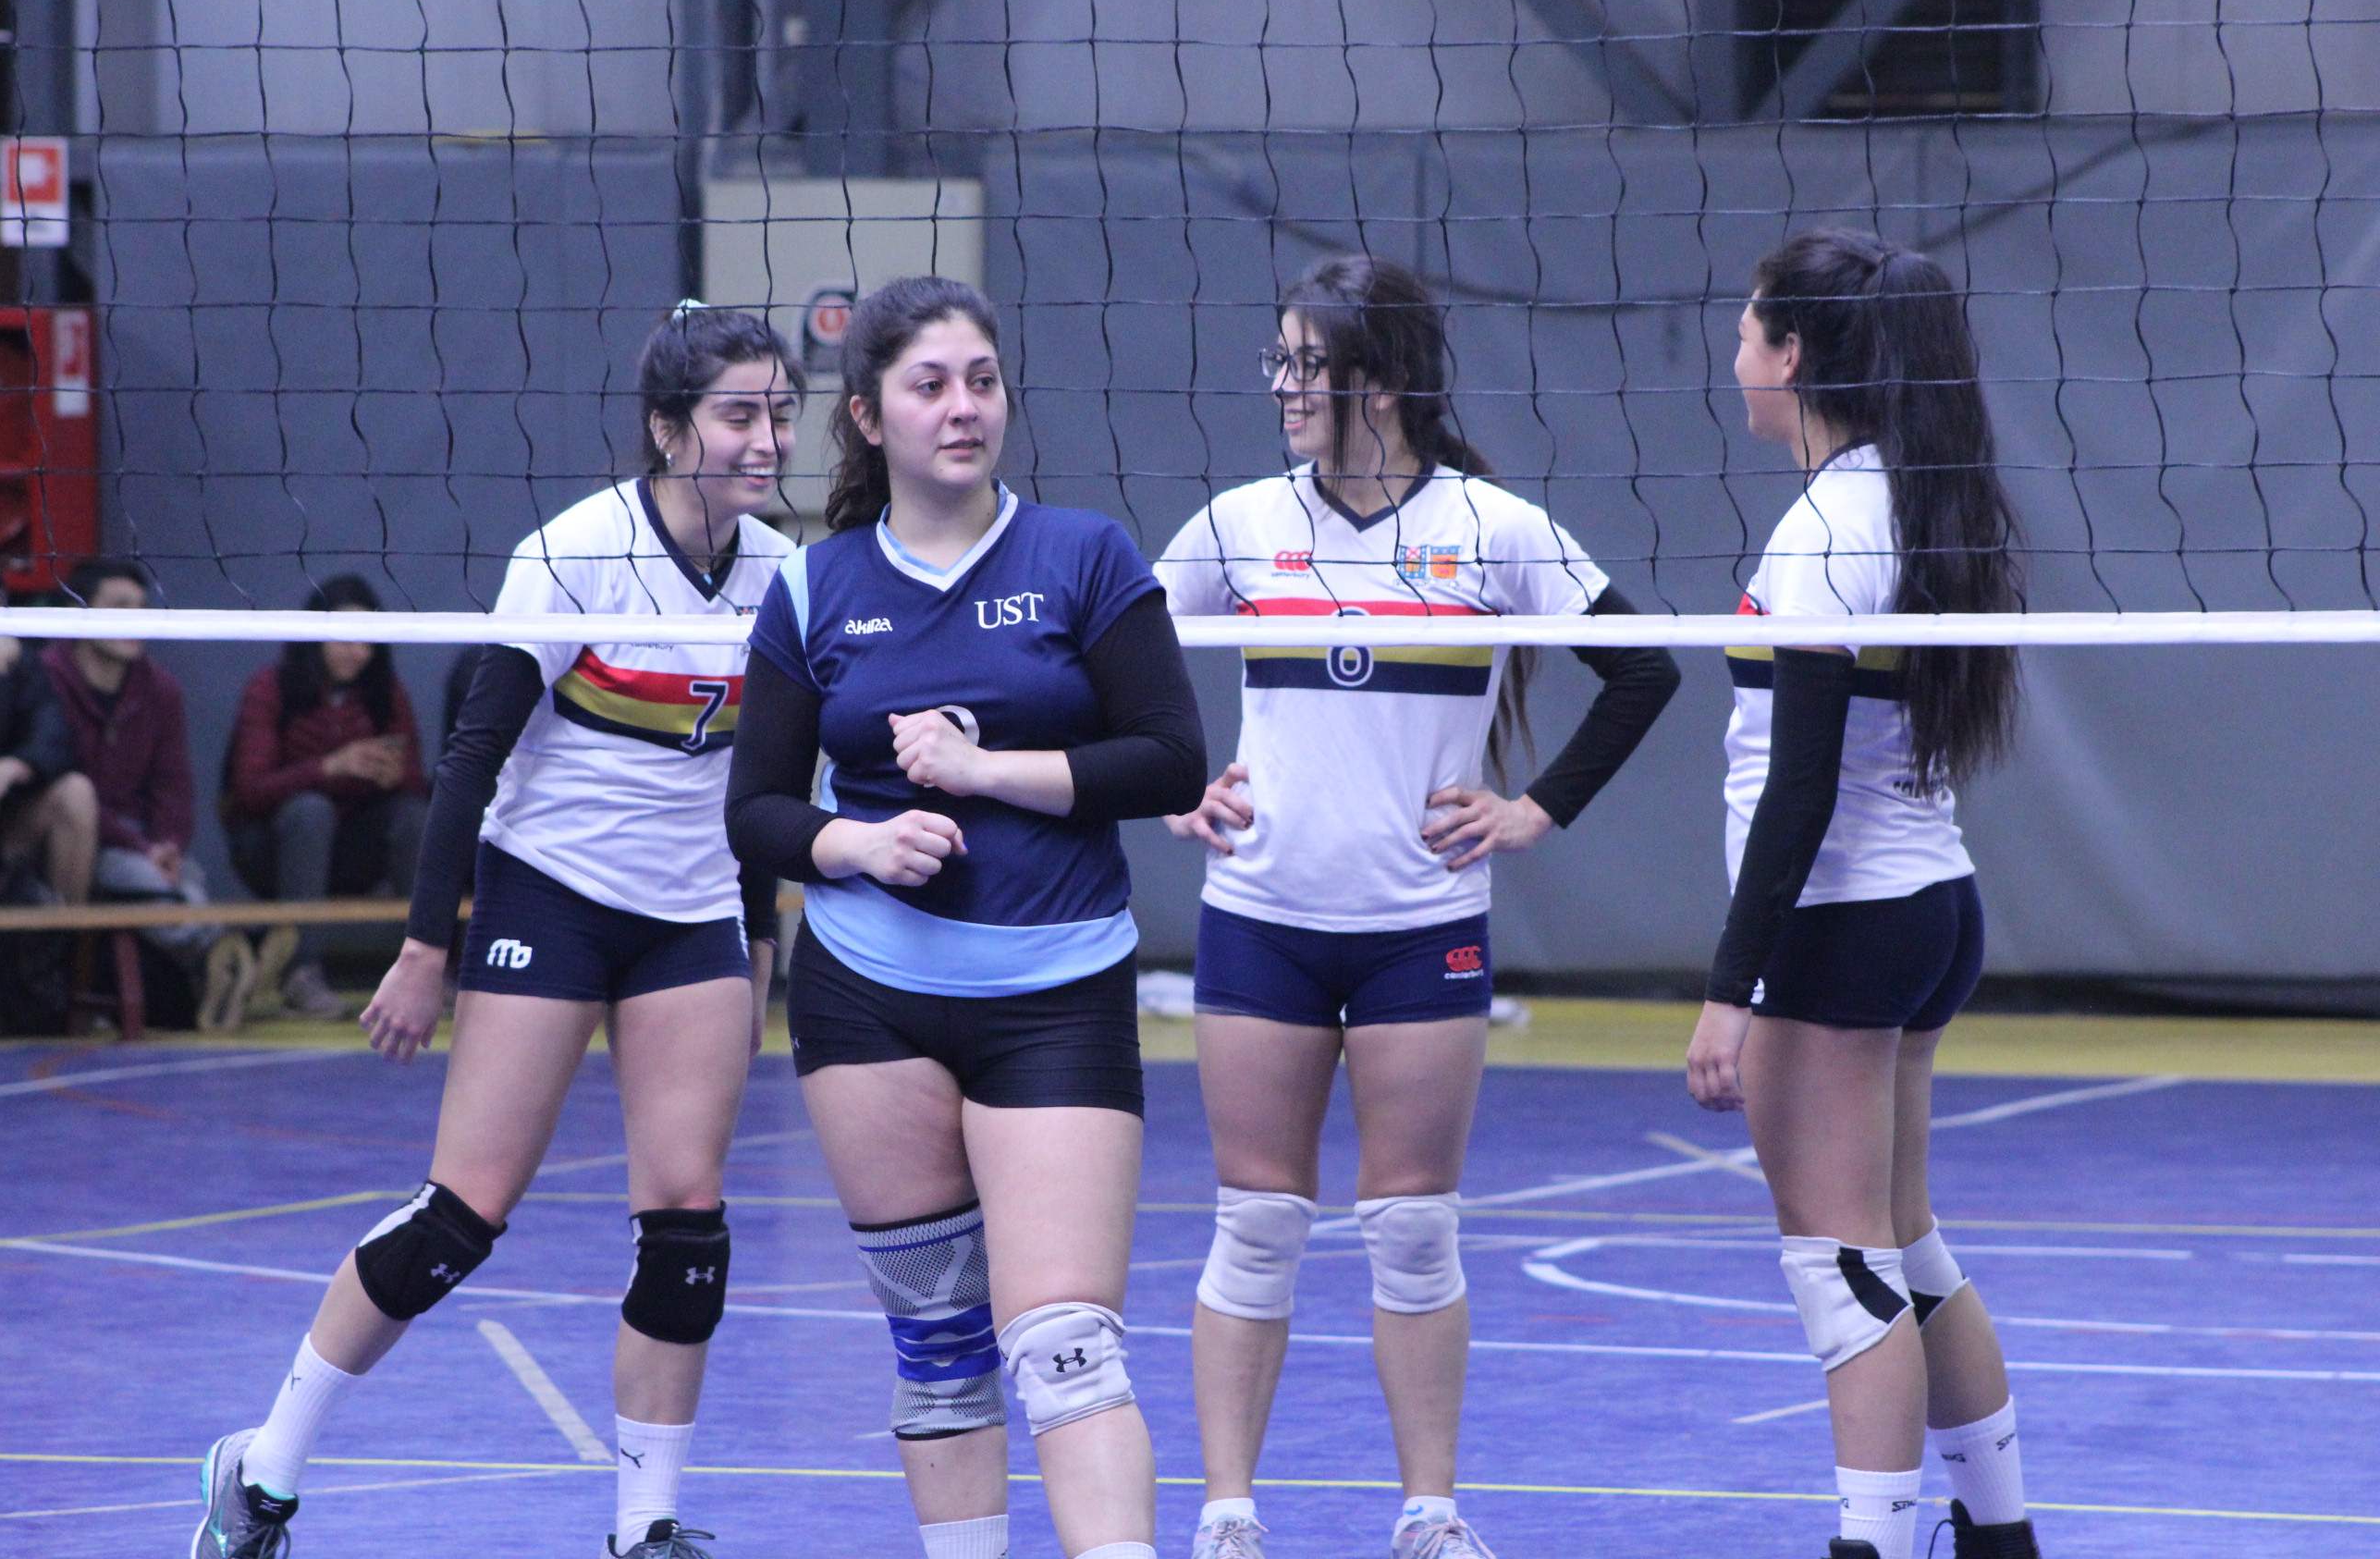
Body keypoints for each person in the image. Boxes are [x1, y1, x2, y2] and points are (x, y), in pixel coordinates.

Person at [192, 302, 802, 1559]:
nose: (768, 438)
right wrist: (427, 948)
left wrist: (755, 943)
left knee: (689, 1230)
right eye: (739, 414)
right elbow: (469, 762)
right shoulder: (572, 553)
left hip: (689, 916)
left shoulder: (784, 576)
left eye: (781, 414)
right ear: (667, 428)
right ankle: (263, 1469)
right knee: (458, 1219)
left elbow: (759, 783)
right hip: (549, 897)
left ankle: (645, 1526)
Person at [1155, 253, 1681, 1559]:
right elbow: (1115, 659)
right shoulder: (1240, 525)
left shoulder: (1493, 529)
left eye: (1306, 363)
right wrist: (1171, 783)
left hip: (1418, 929)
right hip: (1262, 919)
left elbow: (1644, 672)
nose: (1283, 386)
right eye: (1279, 360)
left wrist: (1534, 809)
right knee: (1256, 1223)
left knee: (1412, 1228)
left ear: (1379, 380)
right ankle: (1227, 1517)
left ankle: (1430, 1517)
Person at [726, 276, 1206, 1559]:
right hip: (868, 1003)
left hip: (1055, 995)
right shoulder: (815, 586)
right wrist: (859, 845)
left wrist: (987, 773)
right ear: (869, 416)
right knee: (937, 1348)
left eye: (982, 382)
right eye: (930, 385)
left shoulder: (1085, 556)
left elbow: (1171, 762)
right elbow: (754, 811)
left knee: (1066, 1346)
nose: (963, 408)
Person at [1685, 228, 2035, 1559]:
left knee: (1842, 1272)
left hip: (1844, 925)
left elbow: (1800, 788)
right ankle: (1998, 1537)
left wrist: (1729, 992)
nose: (1732, 354)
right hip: (1931, 904)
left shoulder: (1831, 524)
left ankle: (1872, 1545)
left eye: (1745, 330)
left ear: (1794, 356)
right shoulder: (1918, 495)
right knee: (1904, 1248)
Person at [222, 572, 430, 1017]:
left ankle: (424, 970)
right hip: (271, 849)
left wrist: (392, 776)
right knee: (311, 811)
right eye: (345, 638)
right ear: (314, 633)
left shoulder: (385, 693)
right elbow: (250, 790)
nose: (358, 652)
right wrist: (330, 767)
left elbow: (416, 784)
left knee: (413, 815)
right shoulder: (270, 688)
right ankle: (301, 973)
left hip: (355, 853)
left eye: (367, 640)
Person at [41, 559, 236, 1022]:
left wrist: (167, 845)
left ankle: (219, 967)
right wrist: (143, 850)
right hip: (74, 839)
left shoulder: (160, 689)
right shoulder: (47, 678)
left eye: (141, 608)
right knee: (149, 880)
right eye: (119, 607)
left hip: (143, 843)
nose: (135, 620)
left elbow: (174, 786)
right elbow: (60, 779)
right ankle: (222, 950)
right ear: (80, 612)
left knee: (184, 877)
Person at [0, 556, 93, 906]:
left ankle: (67, 936)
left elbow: (56, 738)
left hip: (3, 823)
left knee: (76, 793)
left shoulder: (19, 663)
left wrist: (13, 767)